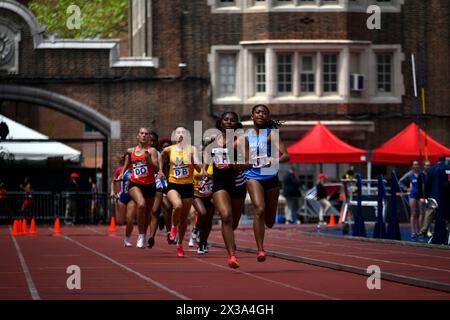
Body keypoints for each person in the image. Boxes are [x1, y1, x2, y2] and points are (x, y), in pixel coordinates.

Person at [245, 104, 291, 263]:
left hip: (270, 178)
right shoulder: (246, 136)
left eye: (264, 113)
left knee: (270, 221)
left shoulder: (273, 135)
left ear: (267, 117)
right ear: (252, 116)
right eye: (257, 112)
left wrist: (275, 159)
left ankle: (268, 217)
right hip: (252, 177)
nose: (260, 115)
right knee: (259, 209)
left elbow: (287, 156)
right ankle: (260, 249)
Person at [204, 111, 250, 268]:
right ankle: (232, 256)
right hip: (220, 183)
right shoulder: (212, 142)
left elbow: (249, 164)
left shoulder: (242, 141)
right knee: (226, 216)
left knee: (234, 222)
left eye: (233, 120)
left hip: (238, 183)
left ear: (237, 124)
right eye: (226, 120)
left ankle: (231, 242)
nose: (229, 122)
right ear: (221, 123)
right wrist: (204, 173)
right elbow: (206, 163)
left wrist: (237, 165)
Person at [159, 126, 201, 257]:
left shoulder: (192, 149)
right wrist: (160, 170)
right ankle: (172, 227)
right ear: (174, 136)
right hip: (173, 184)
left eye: (183, 132)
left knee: (184, 220)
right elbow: (161, 156)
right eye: (178, 132)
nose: (181, 134)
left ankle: (180, 244)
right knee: (177, 205)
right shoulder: (169, 149)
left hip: (188, 186)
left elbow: (199, 169)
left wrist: (194, 163)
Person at [118, 127, 159, 249]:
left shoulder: (152, 151)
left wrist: (149, 161)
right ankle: (141, 235)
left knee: (147, 214)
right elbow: (126, 164)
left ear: (148, 137)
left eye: (146, 134)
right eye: (141, 133)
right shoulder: (131, 151)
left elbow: (156, 169)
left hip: (150, 185)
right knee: (141, 204)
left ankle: (144, 234)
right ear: (138, 136)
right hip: (135, 184)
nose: (144, 135)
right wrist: (122, 173)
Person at [424, 156, 450, 244]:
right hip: (447, 198)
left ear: (437, 160)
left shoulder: (432, 169)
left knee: (434, 217)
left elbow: (427, 183)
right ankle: (447, 237)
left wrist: (426, 196)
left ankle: (436, 235)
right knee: (446, 217)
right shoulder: (448, 168)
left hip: (435, 198)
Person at [113, 157, 136, 247]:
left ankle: (127, 239)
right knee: (120, 221)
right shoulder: (120, 170)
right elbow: (113, 182)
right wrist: (112, 191)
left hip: (131, 197)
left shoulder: (135, 170)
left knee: (130, 220)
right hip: (122, 196)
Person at [404, 160, 424, 240]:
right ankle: (413, 232)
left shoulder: (421, 174)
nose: (416, 166)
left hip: (420, 195)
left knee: (421, 213)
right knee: (414, 213)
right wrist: (407, 189)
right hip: (412, 195)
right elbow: (400, 182)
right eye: (415, 164)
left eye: (417, 164)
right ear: (412, 166)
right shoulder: (409, 174)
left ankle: (420, 231)